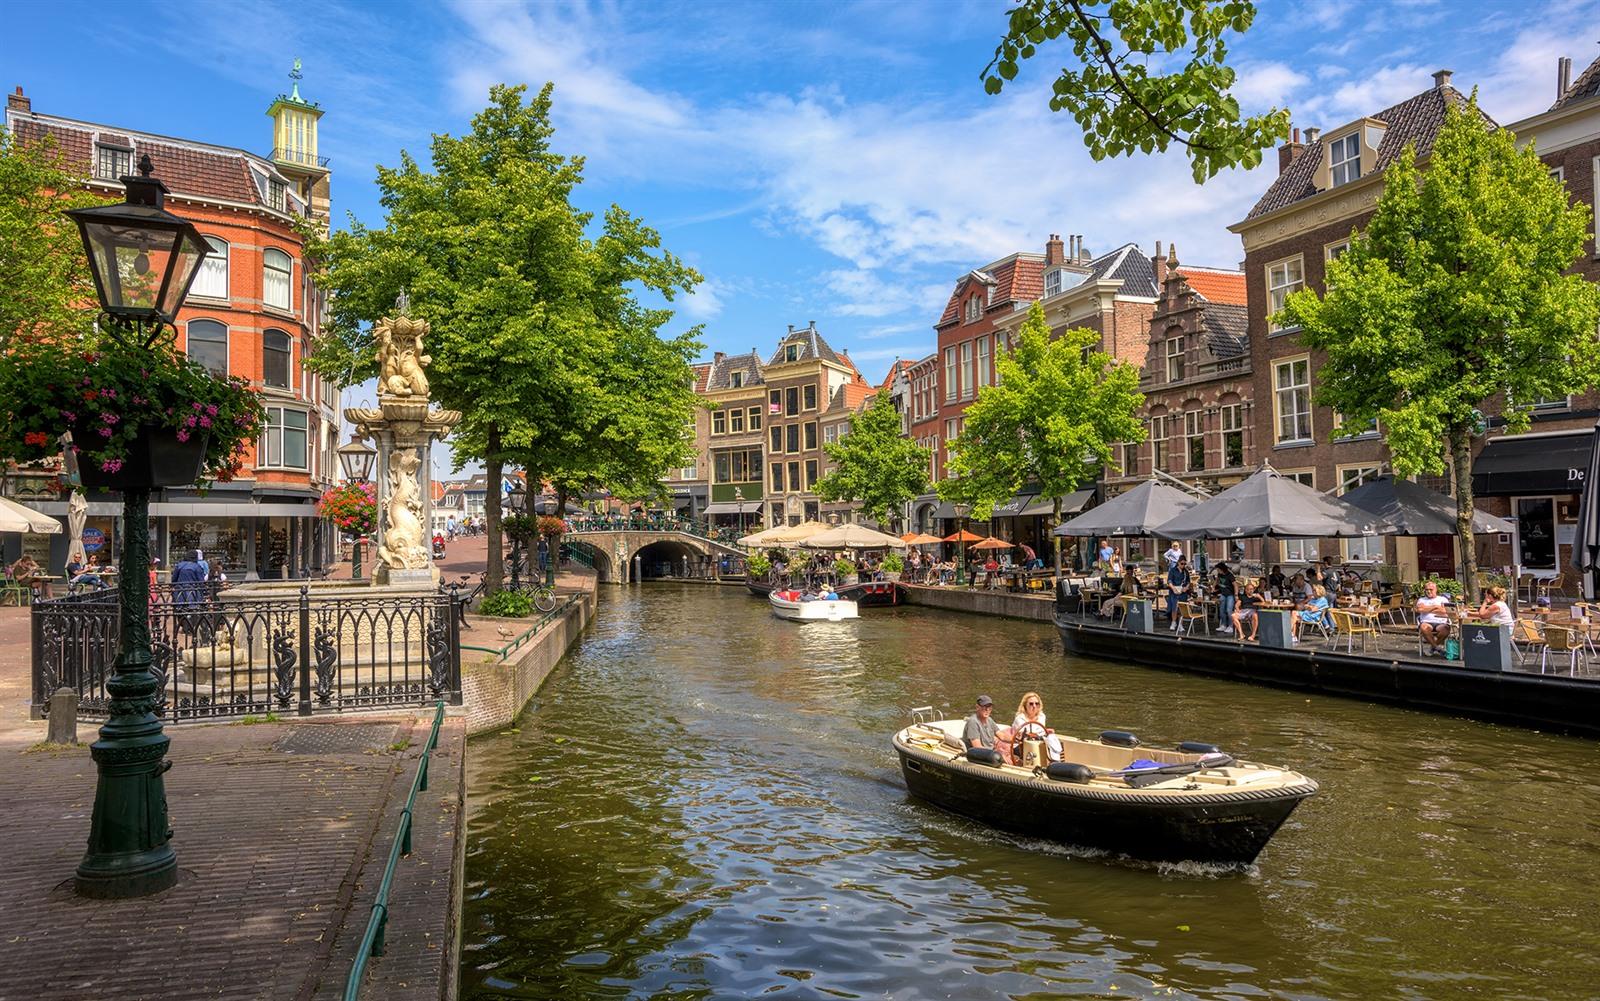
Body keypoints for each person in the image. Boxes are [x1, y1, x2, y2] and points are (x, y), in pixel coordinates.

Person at [1000, 691, 1064, 763]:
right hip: (1021, 745)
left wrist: (1046, 732)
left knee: (1052, 738)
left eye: (1037, 704)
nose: (1034, 706)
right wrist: (1038, 734)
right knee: (1034, 745)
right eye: (1031, 704)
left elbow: (1040, 730)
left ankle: (1056, 761)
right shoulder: (1020, 718)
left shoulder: (1042, 716)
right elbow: (1024, 735)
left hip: (1038, 741)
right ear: (1025, 706)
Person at [1414, 580, 1454, 656]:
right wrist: (1436, 606)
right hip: (1426, 622)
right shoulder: (1421, 599)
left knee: (1446, 629)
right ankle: (1437, 648)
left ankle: (1433, 647)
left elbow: (1444, 611)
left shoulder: (1443, 599)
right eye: (1426, 590)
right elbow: (1420, 610)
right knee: (1424, 627)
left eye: (1431, 590)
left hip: (1441, 622)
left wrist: (1427, 609)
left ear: (1436, 590)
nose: (1428, 591)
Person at [1165, 557, 1191, 629]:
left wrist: (1186, 588)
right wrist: (1173, 588)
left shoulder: (1186, 572)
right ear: (1178, 562)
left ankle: (1180, 624)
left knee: (1182, 608)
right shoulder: (1172, 570)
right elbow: (1169, 581)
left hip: (1183, 592)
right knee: (1174, 608)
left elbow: (1188, 582)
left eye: (1185, 564)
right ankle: (1173, 622)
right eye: (1182, 563)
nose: (1183, 565)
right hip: (1174, 591)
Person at [1214, 562, 1237, 634]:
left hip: (1230, 595)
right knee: (1221, 610)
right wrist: (1213, 587)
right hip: (1223, 594)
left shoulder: (1230, 575)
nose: (1217, 571)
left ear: (1222, 569)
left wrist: (1236, 595)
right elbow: (1216, 581)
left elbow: (1235, 585)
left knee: (1229, 610)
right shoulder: (1219, 575)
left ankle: (1230, 626)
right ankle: (1223, 625)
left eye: (1218, 569)